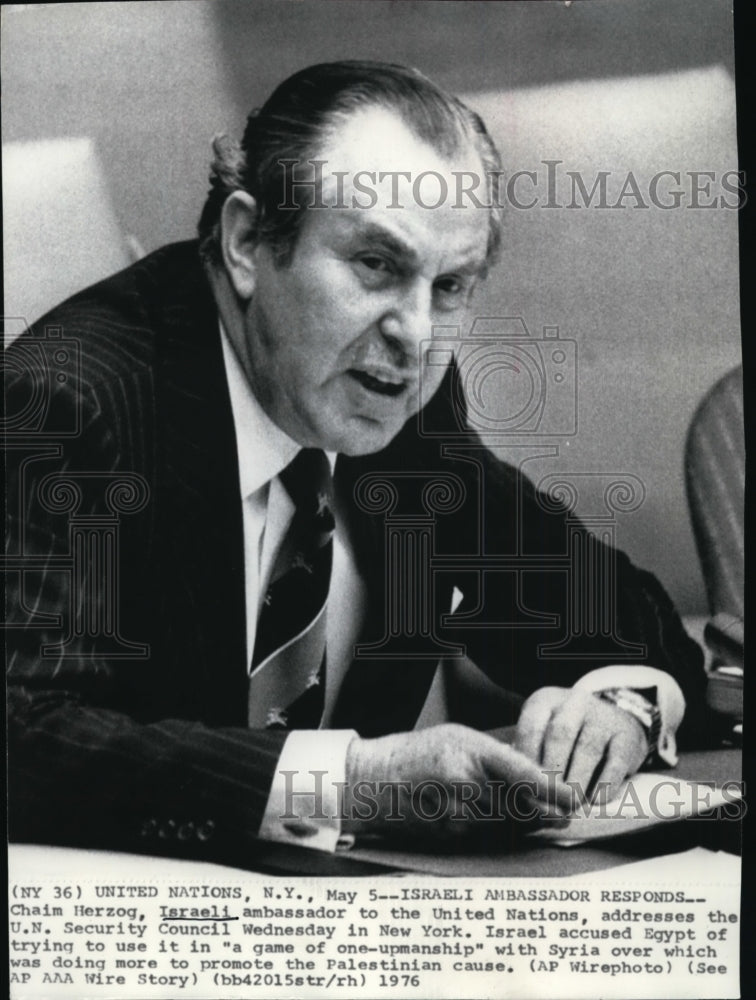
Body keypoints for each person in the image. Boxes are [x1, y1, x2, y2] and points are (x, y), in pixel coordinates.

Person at [5, 61, 706, 864]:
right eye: (376, 265)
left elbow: (625, 620)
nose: (414, 334)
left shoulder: (392, 401)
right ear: (246, 244)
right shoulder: (71, 403)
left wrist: (620, 703)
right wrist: (348, 784)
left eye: (449, 287)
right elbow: (23, 735)